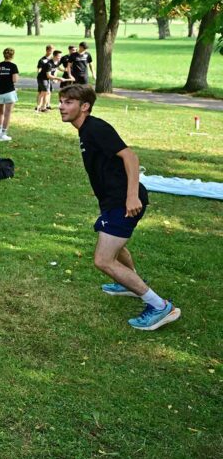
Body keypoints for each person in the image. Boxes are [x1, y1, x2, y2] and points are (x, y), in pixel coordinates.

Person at [58, 85, 180, 330]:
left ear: (85, 107)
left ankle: (160, 306)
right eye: (61, 101)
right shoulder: (85, 130)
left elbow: (131, 157)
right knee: (116, 248)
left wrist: (131, 196)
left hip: (124, 202)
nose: (61, 106)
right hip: (112, 200)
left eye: (68, 102)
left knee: (103, 260)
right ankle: (129, 282)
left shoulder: (95, 128)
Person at [0, 48, 19, 141]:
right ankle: (4, 134)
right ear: (12, 55)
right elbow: (15, 80)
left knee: (0, 112)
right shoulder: (13, 66)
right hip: (9, 92)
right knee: (7, 113)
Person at [35, 44, 54, 113]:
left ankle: (46, 105)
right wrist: (39, 71)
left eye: (52, 51)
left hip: (49, 78)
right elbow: (39, 68)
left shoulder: (53, 59)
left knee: (48, 92)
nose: (51, 52)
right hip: (42, 78)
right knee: (43, 92)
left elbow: (56, 68)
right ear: (47, 50)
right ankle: (41, 107)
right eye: (50, 51)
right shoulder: (42, 60)